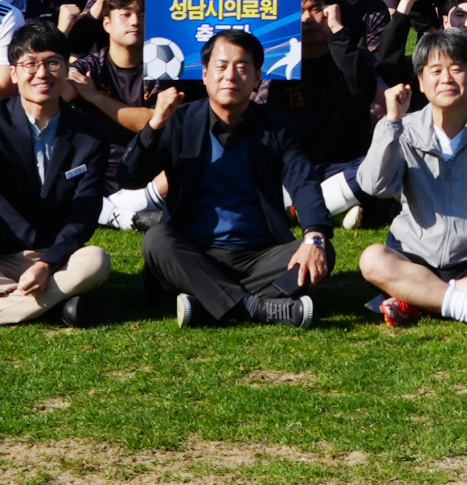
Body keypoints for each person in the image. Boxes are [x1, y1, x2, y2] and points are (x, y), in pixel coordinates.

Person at [0, 22, 126, 328]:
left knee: (96, 261)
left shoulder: (90, 134)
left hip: (60, 258)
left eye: (52, 63)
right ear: (14, 73)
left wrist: (47, 263)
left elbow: (85, 211)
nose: (41, 73)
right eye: (30, 64)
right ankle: (53, 304)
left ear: (66, 68)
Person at [133, 29, 332, 328]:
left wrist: (314, 235)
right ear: (204, 74)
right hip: (195, 251)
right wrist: (155, 125)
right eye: (221, 66)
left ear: (256, 77)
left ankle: (208, 302)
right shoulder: (180, 121)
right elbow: (131, 174)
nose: (230, 76)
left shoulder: (276, 127)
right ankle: (257, 307)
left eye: (242, 68)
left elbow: (302, 179)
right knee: (157, 240)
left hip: (261, 255)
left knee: (322, 250)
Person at [350, 30, 467, 330]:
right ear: (421, 83)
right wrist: (391, 122)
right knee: (372, 259)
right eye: (435, 71)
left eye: (457, 69)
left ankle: (419, 300)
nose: (447, 79)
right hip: (416, 257)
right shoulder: (403, 128)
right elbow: (374, 185)